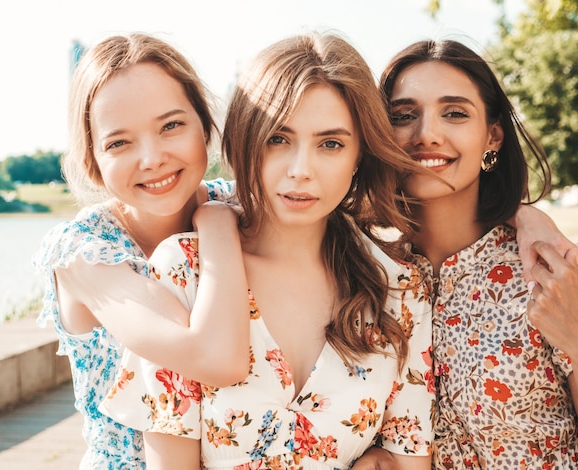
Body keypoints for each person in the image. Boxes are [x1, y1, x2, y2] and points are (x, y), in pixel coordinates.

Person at [100, 32, 436, 469]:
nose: (301, 171)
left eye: (330, 144)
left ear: (359, 156)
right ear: (246, 141)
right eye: (279, 139)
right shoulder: (185, 271)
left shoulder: (400, 290)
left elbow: (408, 460)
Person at [33, 33, 250, 469]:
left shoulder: (249, 207)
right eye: (119, 143)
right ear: (93, 160)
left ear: (205, 126)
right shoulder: (84, 253)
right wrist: (217, 227)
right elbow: (214, 359)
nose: (151, 158)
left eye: (171, 126)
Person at [379, 38, 578, 468]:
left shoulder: (556, 266)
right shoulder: (367, 276)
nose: (427, 134)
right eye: (403, 116)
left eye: (455, 113)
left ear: (492, 135)